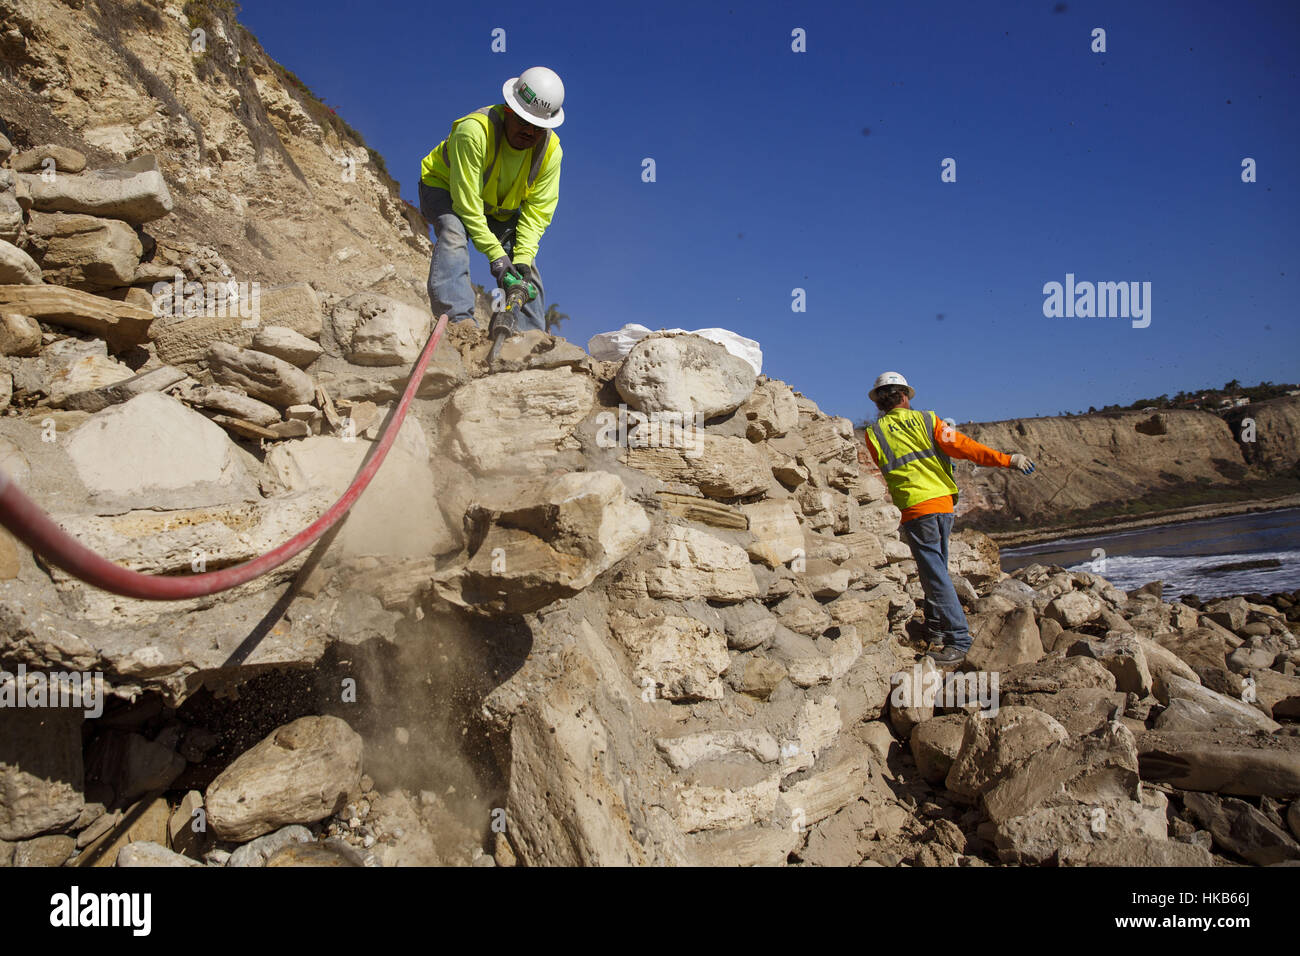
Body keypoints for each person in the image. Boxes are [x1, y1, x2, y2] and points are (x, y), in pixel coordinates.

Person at [860, 372, 1037, 664]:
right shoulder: (929, 421)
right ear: (905, 396)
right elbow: (965, 447)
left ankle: (959, 639)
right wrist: (1008, 459)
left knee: (935, 575)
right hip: (943, 506)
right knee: (937, 571)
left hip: (916, 509)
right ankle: (935, 629)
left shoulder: (873, 434)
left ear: (879, 402)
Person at [417, 66, 564, 332]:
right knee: (453, 231)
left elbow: (537, 212)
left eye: (539, 128)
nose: (530, 133)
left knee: (525, 271)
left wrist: (520, 258)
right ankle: (458, 322)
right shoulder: (473, 131)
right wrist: (497, 258)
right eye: (523, 122)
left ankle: (529, 338)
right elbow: (466, 205)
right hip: (446, 189)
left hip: (497, 208)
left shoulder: (551, 152)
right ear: (508, 109)